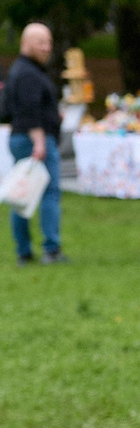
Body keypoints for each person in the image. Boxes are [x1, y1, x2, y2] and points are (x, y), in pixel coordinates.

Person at [5, 21, 64, 265]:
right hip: (35, 141)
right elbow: (29, 111)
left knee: (23, 193)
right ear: (25, 43)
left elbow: (8, 109)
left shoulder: (21, 70)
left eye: (49, 42)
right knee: (47, 193)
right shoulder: (28, 73)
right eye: (40, 42)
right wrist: (39, 141)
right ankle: (51, 248)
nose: (46, 47)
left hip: (23, 137)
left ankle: (24, 252)